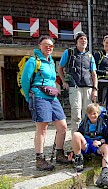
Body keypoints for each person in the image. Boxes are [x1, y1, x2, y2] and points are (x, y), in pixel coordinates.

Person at [21, 35, 70, 171]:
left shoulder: (51, 62)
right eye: (46, 45)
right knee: (42, 129)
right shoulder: (33, 61)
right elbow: (25, 81)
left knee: (63, 126)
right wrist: (29, 97)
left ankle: (59, 155)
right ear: (39, 46)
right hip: (39, 97)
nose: (49, 47)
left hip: (52, 97)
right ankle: (40, 159)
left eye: (51, 45)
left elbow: (52, 80)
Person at [58, 31, 98, 134]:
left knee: (87, 112)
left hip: (88, 87)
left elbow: (94, 74)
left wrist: (95, 89)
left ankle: (86, 136)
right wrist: (64, 82)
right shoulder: (69, 52)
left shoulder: (90, 56)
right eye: (81, 39)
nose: (83, 41)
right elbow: (60, 68)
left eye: (85, 39)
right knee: (76, 113)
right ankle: (75, 138)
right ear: (76, 41)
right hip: (74, 86)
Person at [71, 103, 108, 188]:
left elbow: (107, 138)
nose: (92, 115)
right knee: (76, 134)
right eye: (90, 113)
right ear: (87, 114)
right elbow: (78, 136)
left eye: (94, 113)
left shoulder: (103, 123)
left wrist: (100, 142)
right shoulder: (84, 122)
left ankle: (104, 176)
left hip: (98, 145)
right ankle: (78, 158)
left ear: (98, 113)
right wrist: (73, 151)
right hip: (86, 144)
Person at [93, 35, 108, 105]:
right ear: (103, 43)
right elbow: (94, 70)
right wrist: (106, 72)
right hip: (101, 82)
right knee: (100, 104)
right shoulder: (98, 54)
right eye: (106, 42)